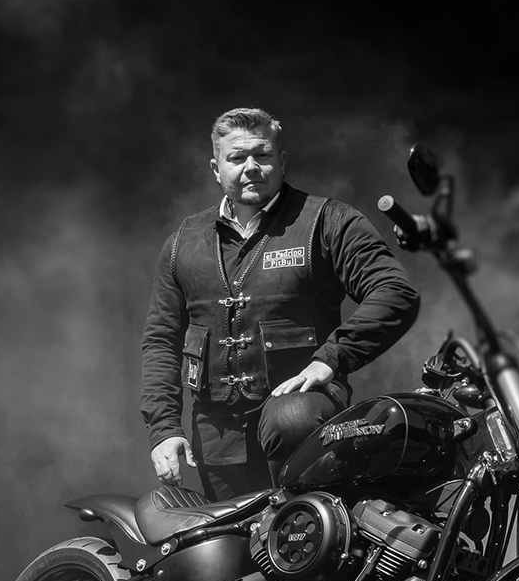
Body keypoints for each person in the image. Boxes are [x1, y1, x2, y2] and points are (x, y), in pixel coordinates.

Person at [141, 108, 421, 500]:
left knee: (291, 417)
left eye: (263, 155)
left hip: (305, 426)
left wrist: (332, 358)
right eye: (237, 158)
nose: (251, 167)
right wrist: (164, 429)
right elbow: (161, 341)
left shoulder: (327, 220)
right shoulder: (181, 244)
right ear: (216, 169)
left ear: (282, 161)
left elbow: (395, 291)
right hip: (217, 442)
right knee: (230, 539)